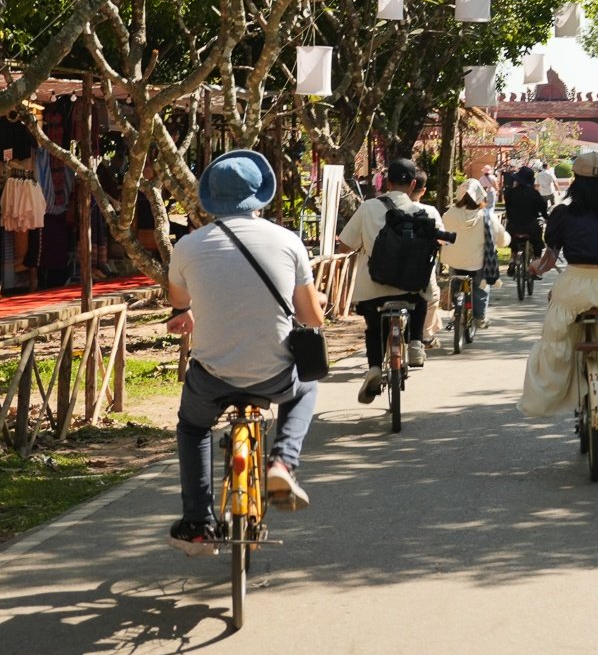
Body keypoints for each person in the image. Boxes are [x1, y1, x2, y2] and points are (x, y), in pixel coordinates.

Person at [164, 150, 323, 555]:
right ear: (260, 196)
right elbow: (312, 318)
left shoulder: (187, 246)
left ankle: (198, 523)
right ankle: (282, 463)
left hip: (211, 377)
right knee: (306, 386)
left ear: (211, 199)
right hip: (274, 376)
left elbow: (179, 302)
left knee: (193, 427)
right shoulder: (287, 242)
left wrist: (185, 313)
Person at [519, 150, 598, 434]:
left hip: (572, 286)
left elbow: (550, 258)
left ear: (575, 180)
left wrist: (537, 268)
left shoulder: (562, 214)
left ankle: (561, 387)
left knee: (556, 338)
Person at [337, 157, 444, 402]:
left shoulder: (368, 208)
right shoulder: (423, 212)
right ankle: (415, 342)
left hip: (373, 289)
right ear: (414, 184)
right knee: (420, 295)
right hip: (410, 288)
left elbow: (344, 245)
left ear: (387, 182)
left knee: (374, 327)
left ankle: (375, 368)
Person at [442, 179, 496, 330]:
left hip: (454, 261)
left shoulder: (449, 214)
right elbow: (497, 236)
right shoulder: (486, 216)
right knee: (480, 288)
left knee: (455, 283)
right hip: (476, 263)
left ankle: (456, 308)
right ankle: (480, 317)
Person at [502, 165, 549, 260]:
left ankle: (513, 258)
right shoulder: (534, 193)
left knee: (512, 239)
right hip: (531, 226)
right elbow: (543, 208)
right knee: (537, 242)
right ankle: (537, 261)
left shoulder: (510, 193)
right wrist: (546, 217)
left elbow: (508, 210)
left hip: (514, 226)